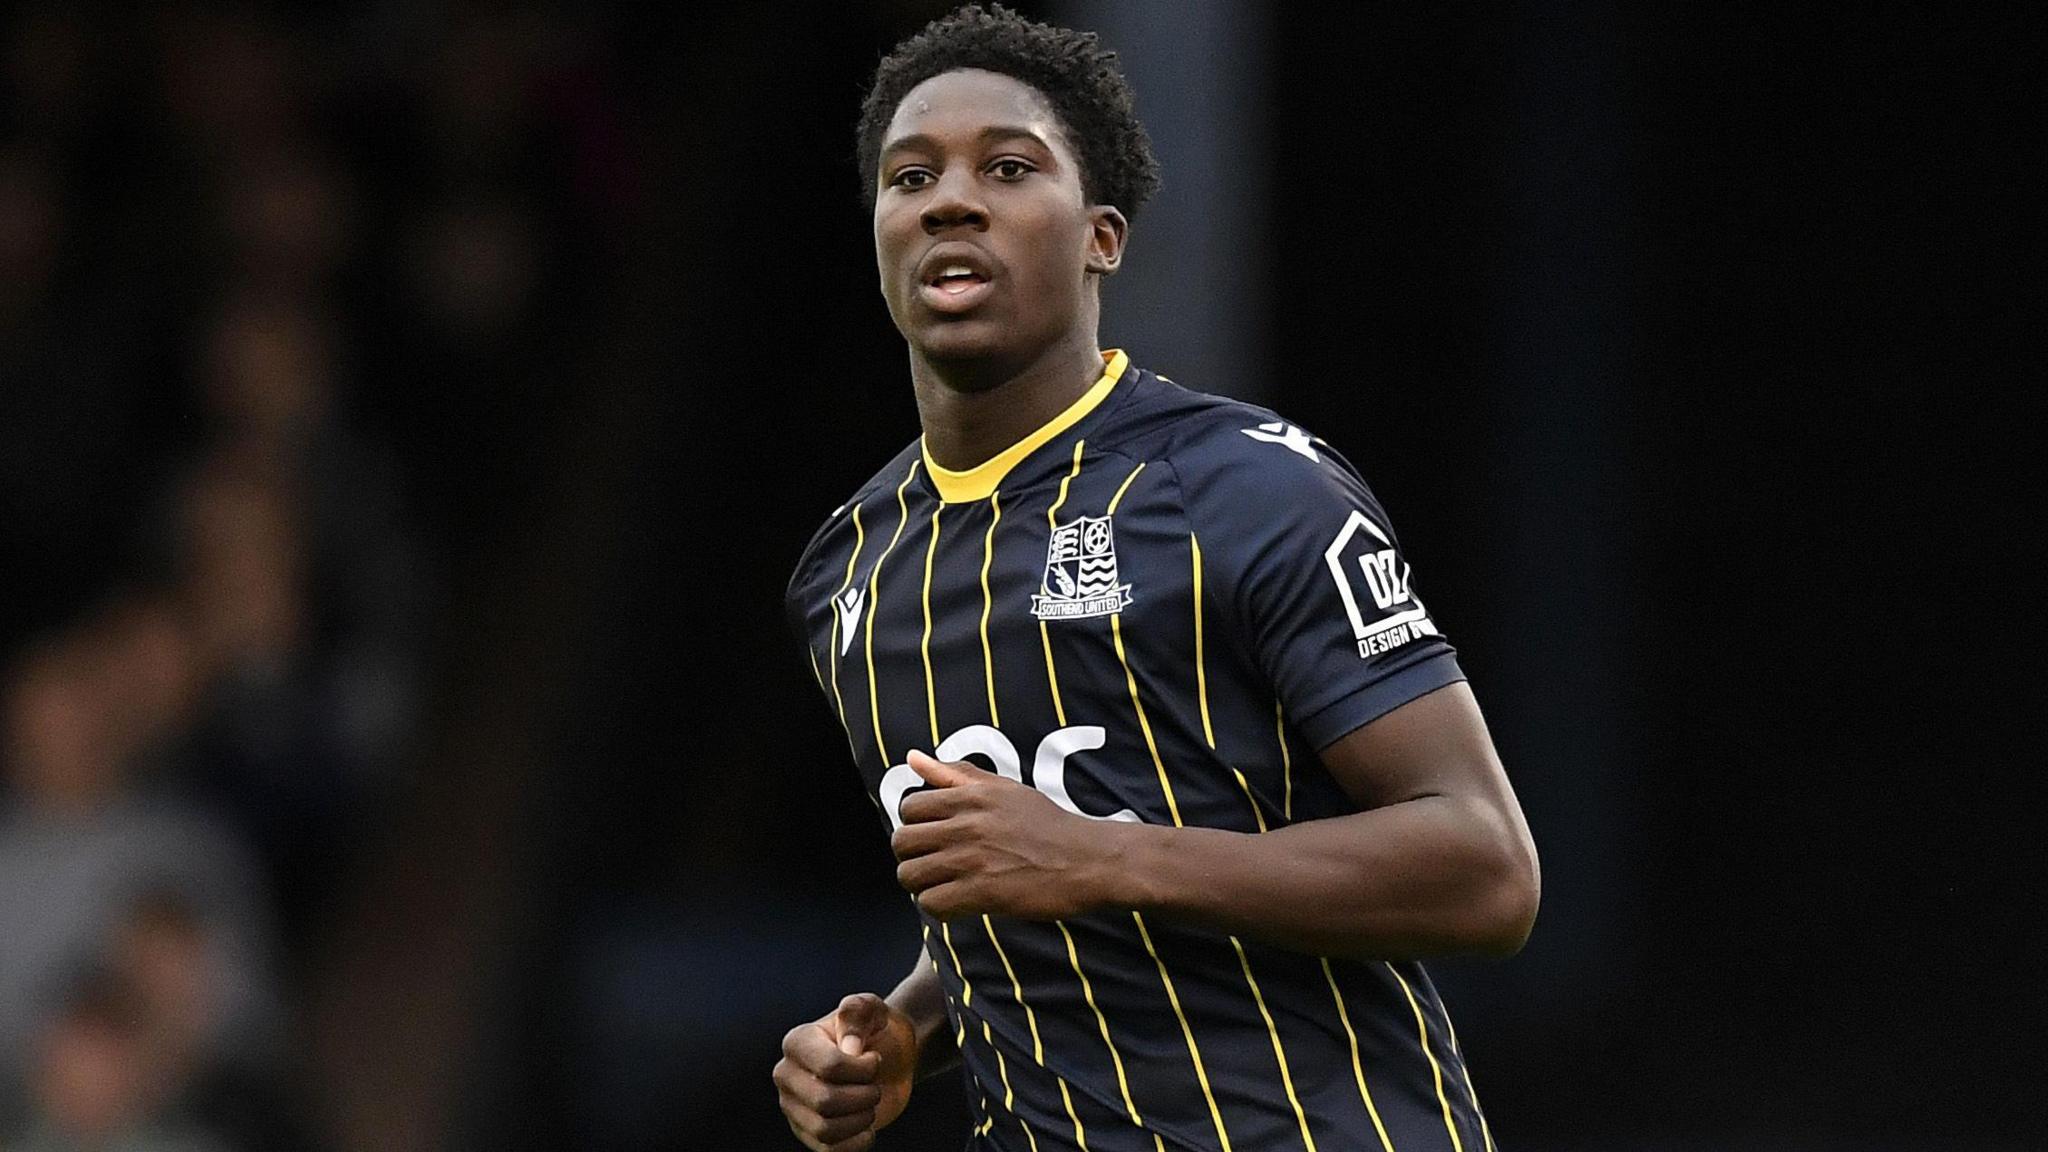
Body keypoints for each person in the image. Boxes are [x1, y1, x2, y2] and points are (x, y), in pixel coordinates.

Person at [776, 6, 1539, 1151]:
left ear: (1101, 236)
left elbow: (1483, 870)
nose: (949, 198)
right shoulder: (850, 572)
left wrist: (1101, 856)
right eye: (910, 175)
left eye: (1008, 167)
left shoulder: (1244, 489)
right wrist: (905, 1027)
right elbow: (1008, 887)